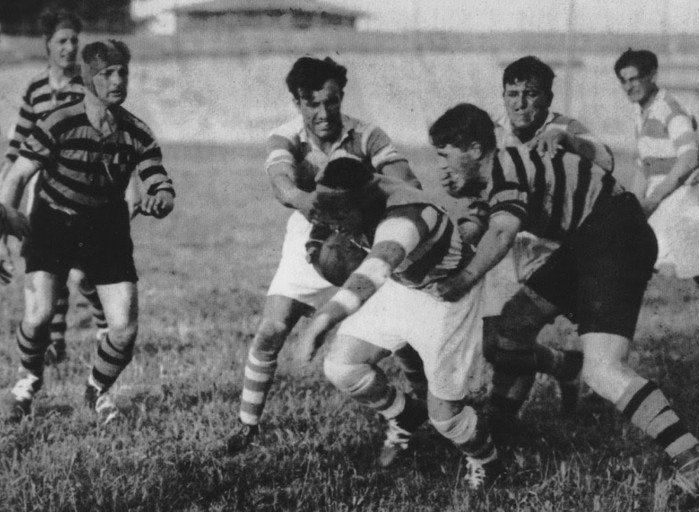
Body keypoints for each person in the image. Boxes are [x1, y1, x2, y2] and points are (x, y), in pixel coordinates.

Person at [429, 102, 699, 496]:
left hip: (614, 237)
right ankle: (503, 430)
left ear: (474, 149)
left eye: (445, 155)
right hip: (591, 238)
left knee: (604, 370)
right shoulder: (500, 172)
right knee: (512, 327)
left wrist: (464, 280)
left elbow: (502, 232)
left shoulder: (506, 169)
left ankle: (691, 459)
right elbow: (481, 223)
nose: (439, 166)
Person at [226, 56, 428, 457]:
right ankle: (247, 427)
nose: (323, 113)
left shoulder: (367, 135)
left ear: (341, 99)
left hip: (364, 235)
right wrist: (317, 205)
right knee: (271, 329)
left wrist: (368, 194)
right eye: (311, 104)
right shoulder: (285, 138)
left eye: (331, 102)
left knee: (397, 335)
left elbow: (409, 183)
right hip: (310, 235)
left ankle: (418, 413)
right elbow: (283, 186)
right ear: (297, 103)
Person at [297, 157, 501, 490]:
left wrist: (324, 318)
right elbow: (322, 210)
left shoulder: (405, 216)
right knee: (342, 366)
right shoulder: (357, 192)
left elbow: (374, 270)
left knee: (447, 418)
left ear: (363, 201)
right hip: (403, 286)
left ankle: (486, 462)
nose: (335, 224)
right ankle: (405, 414)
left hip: (446, 297)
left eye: (340, 214)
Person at [0, 40, 175, 422]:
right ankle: (27, 381)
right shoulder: (58, 121)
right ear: (87, 78)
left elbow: (157, 177)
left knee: (124, 329)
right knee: (39, 314)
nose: (117, 80)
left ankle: (96, 390)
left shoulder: (136, 131)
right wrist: (4, 229)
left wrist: (162, 196)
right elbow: (16, 176)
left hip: (106, 226)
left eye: (122, 73)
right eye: (107, 73)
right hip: (52, 221)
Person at [476, 55, 616, 430]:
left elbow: (606, 158)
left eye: (531, 94)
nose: (521, 103)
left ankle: (500, 422)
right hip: (507, 239)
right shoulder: (492, 130)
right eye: (513, 94)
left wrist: (567, 139)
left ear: (548, 97)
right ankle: (564, 366)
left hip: (549, 245)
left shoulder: (564, 127)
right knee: (493, 343)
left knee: (516, 329)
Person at [0, 9, 121, 364]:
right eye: (61, 41)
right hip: (42, 189)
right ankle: (55, 341)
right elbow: (18, 143)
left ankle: (102, 325)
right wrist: (7, 185)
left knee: (84, 271)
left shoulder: (87, 86)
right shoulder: (36, 88)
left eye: (73, 41)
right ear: (47, 45)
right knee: (51, 264)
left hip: (80, 188)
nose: (69, 48)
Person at [614, 48, 699, 291]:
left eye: (634, 79)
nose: (628, 86)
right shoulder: (640, 112)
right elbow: (644, 166)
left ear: (651, 75)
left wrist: (653, 199)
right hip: (665, 197)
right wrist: (634, 204)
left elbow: (690, 159)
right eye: (623, 81)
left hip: (684, 195)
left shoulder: (669, 109)